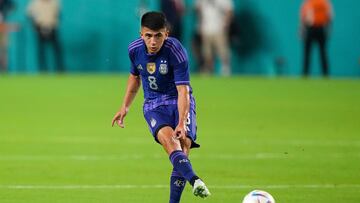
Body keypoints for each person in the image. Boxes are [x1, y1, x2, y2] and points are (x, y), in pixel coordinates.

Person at [111, 11, 211, 202]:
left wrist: (181, 122)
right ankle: (195, 180)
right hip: (153, 104)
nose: (153, 41)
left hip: (178, 99)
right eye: (148, 36)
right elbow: (134, 78)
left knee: (183, 147)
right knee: (170, 142)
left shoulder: (176, 51)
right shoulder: (134, 50)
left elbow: (183, 90)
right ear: (141, 34)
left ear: (166, 33)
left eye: (158, 36)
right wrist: (125, 106)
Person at [195, 0, 233, 76]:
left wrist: (226, 24)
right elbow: (198, 10)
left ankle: (225, 69)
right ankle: (209, 71)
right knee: (207, 53)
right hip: (206, 29)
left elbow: (229, 11)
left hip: (219, 28)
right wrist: (200, 24)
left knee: (223, 51)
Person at [27, 0, 64, 72]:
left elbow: (58, 14)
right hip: (39, 29)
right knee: (41, 52)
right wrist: (36, 25)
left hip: (53, 28)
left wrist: (53, 25)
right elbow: (30, 15)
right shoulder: (35, 2)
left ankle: (60, 71)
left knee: (57, 52)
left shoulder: (55, 2)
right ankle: (42, 71)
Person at [300, 0, 333, 77]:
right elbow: (303, 16)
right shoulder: (308, 2)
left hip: (320, 28)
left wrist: (328, 30)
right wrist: (302, 29)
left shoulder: (324, 2)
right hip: (310, 28)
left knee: (322, 53)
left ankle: (325, 74)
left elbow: (329, 17)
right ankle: (305, 74)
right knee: (307, 53)